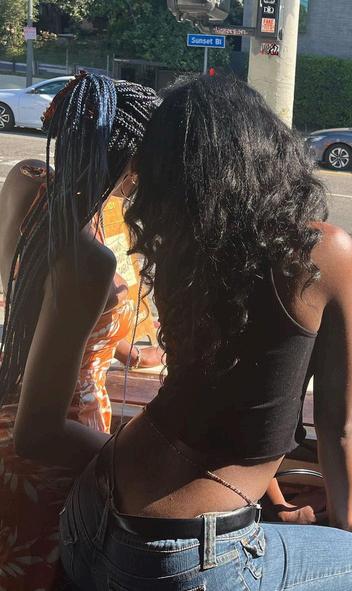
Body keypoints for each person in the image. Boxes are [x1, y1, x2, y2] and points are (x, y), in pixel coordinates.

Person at [59, 74, 352, 591]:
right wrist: (345, 517)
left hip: (88, 515)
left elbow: (228, 402)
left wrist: (278, 504)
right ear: (268, 148)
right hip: (177, 557)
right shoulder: (321, 251)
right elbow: (335, 425)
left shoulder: (183, 253)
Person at [0, 73, 160, 590]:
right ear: (133, 165)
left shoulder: (26, 183)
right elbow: (39, 432)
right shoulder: (90, 259)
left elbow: (36, 304)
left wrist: (118, 346)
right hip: (59, 446)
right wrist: (137, 462)